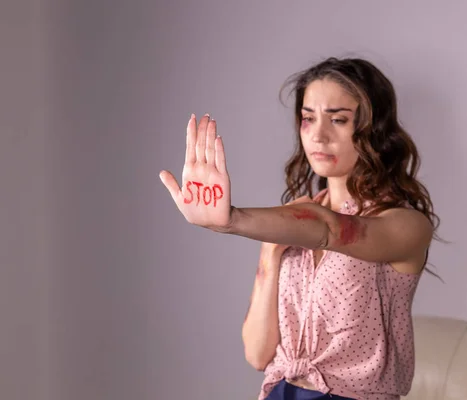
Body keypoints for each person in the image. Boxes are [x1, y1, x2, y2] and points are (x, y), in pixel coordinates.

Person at [159, 57, 439, 400]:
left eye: (338, 119)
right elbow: (257, 354)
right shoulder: (287, 226)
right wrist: (270, 252)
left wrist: (233, 219)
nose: (319, 135)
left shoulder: (405, 225)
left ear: (374, 130)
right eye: (308, 119)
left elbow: (331, 230)